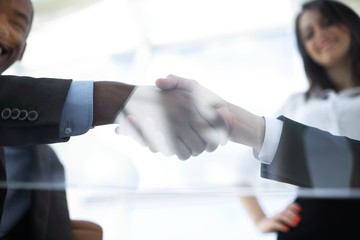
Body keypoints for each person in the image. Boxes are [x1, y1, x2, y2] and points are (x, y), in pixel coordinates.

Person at [0, 0, 228, 239]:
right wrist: (125, 101)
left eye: (16, 23)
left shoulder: (44, 159)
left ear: (23, 48)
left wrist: (62, 231)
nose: (2, 27)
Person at [155, 0, 360, 237]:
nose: (321, 35)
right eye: (309, 34)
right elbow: (244, 169)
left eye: (328, 23)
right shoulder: (297, 103)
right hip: (309, 223)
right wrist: (260, 219)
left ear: (350, 24)